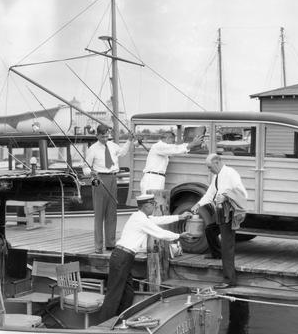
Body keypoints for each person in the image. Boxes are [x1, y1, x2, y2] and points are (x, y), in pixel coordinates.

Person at [98, 193, 193, 321]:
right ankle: (104, 324)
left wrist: (179, 217)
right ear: (147, 206)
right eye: (153, 205)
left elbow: (159, 220)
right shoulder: (141, 220)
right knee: (114, 294)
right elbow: (160, 233)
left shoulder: (140, 216)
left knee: (128, 294)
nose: (154, 207)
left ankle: (119, 320)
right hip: (122, 257)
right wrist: (179, 236)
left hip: (124, 257)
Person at [191, 154, 248, 289]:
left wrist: (226, 197)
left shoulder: (230, 173)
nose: (209, 170)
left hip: (230, 212)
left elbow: (243, 194)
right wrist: (198, 205)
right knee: (210, 230)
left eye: (210, 167)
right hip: (221, 212)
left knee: (227, 246)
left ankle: (229, 280)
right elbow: (210, 194)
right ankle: (216, 254)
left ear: (217, 162)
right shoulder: (217, 177)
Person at [83, 124, 133, 253]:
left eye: (107, 136)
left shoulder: (112, 145)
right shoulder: (92, 149)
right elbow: (85, 167)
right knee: (99, 213)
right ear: (97, 135)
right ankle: (98, 246)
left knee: (112, 212)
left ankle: (111, 243)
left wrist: (129, 140)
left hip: (112, 178)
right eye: (102, 136)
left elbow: (122, 152)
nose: (105, 139)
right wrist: (90, 172)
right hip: (99, 179)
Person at [139, 130, 204, 193]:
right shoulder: (159, 146)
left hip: (157, 178)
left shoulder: (162, 149)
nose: (173, 143)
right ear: (167, 138)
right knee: (150, 202)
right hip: (152, 179)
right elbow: (175, 149)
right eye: (173, 141)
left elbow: (175, 148)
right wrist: (193, 144)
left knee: (157, 202)